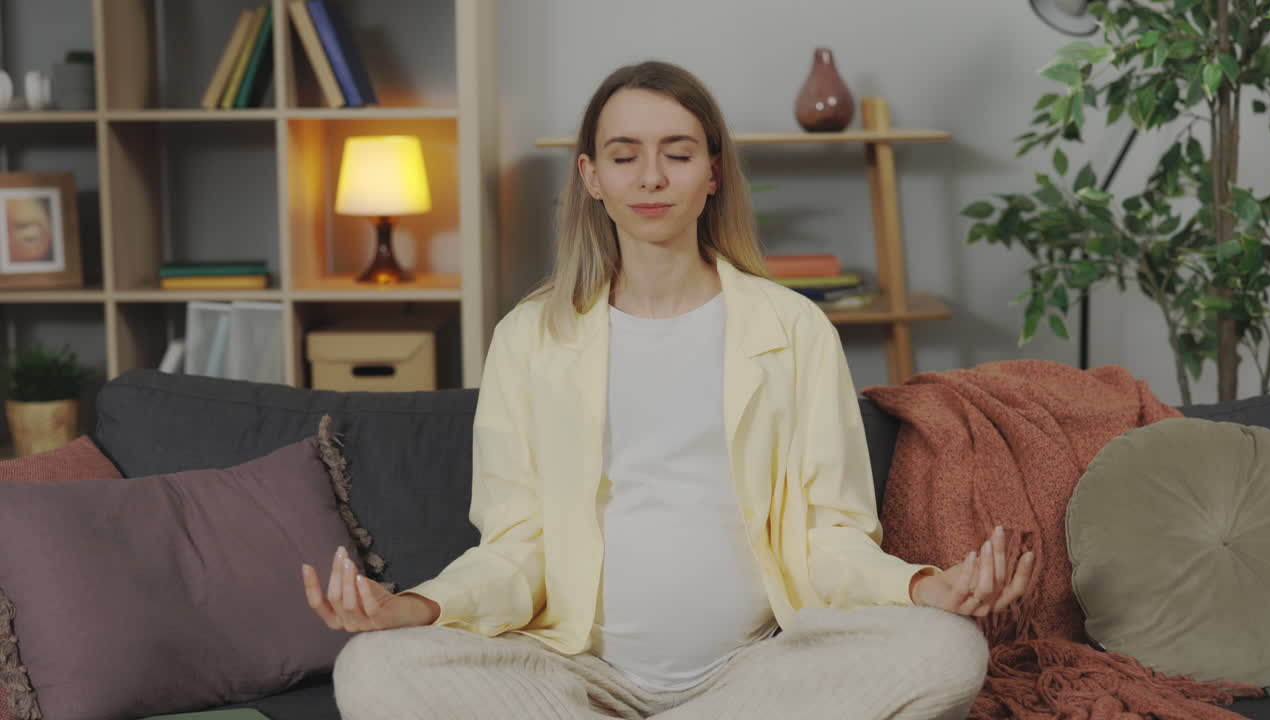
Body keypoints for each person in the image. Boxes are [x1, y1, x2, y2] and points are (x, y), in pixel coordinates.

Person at [302, 60, 1033, 720]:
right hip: (572, 674)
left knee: (946, 650)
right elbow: (516, 544)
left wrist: (923, 589)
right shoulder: (528, 338)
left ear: (712, 173)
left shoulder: (794, 328)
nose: (651, 178)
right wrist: (416, 606)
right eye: (625, 156)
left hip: (756, 674)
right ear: (592, 176)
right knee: (373, 666)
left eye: (677, 155)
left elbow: (828, 535)